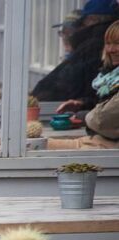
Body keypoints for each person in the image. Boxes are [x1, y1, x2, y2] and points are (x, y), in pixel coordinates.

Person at [48, 20, 119, 150]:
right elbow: (106, 105)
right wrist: (82, 103)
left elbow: (102, 119)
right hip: (100, 141)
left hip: (109, 148)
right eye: (108, 43)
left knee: (37, 149)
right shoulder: (110, 75)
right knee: (40, 145)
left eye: (117, 43)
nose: (111, 49)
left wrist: (81, 116)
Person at [33, 0, 118, 106]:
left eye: (70, 31)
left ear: (92, 19)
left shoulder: (91, 47)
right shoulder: (90, 48)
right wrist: (82, 104)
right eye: (63, 32)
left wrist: (34, 99)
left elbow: (63, 83)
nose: (110, 49)